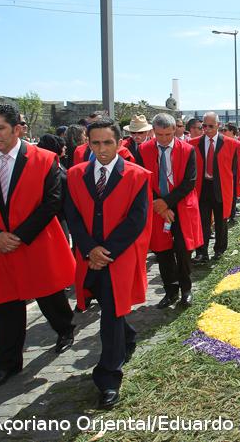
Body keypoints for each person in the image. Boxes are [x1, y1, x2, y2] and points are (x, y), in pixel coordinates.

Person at [0, 104, 76, 391]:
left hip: (34, 242)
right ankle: (7, 365)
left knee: (49, 296)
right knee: (5, 305)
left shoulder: (44, 158)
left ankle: (65, 329)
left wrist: (19, 236)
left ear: (17, 129)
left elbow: (52, 201)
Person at [64, 118, 151, 409]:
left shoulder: (138, 176)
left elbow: (136, 220)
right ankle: (128, 335)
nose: (102, 149)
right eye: (95, 143)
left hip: (118, 258)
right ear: (87, 143)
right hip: (90, 259)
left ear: (120, 143)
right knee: (104, 305)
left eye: (108, 143)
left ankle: (109, 378)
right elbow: (72, 216)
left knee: (111, 315)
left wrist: (106, 252)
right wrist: (90, 250)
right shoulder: (75, 175)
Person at [138, 114, 202, 308]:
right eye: (159, 134)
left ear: (175, 130)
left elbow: (189, 182)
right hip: (157, 206)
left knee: (183, 250)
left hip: (181, 204)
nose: (164, 139)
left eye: (167, 134)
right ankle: (170, 291)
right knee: (163, 251)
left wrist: (166, 203)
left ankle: (186, 289)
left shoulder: (188, 149)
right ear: (153, 132)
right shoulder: (144, 150)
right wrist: (160, 205)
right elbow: (142, 179)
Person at [191, 112, 240, 263]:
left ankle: (219, 249)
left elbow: (234, 168)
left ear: (218, 126)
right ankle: (201, 252)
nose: (206, 129)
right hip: (202, 187)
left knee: (221, 221)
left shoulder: (231, 144)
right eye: (204, 126)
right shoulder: (193, 143)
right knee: (203, 221)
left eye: (210, 126)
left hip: (220, 187)